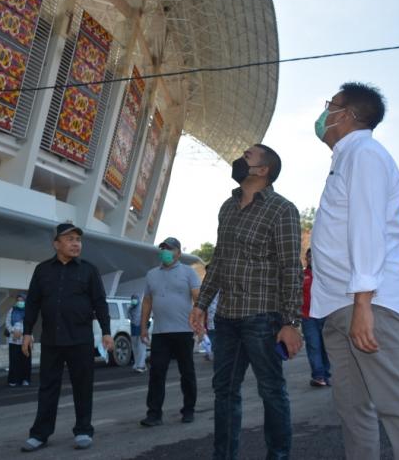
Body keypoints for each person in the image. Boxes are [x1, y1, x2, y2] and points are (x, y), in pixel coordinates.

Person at [310, 82, 399, 460]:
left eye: (330, 105)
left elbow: (367, 228)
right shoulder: (345, 159)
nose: (323, 114)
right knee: (354, 412)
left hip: (366, 303)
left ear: (347, 114)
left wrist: (364, 302)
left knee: (398, 407)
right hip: (338, 305)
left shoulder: (365, 153)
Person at [189, 144, 303, 460]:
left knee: (271, 391)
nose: (240, 159)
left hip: (263, 317)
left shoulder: (282, 210)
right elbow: (219, 261)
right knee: (224, 391)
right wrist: (201, 304)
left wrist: (291, 323)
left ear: (263, 170)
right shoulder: (227, 207)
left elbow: (291, 268)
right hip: (227, 318)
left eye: (248, 156)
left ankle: (278, 456)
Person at [20, 223, 113, 452]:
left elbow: (100, 302)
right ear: (56, 244)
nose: (75, 244)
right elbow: (32, 303)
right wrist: (27, 333)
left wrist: (107, 331)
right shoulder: (42, 270)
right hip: (51, 339)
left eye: (78, 240)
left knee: (83, 386)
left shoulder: (89, 270)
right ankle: (40, 434)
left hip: (80, 339)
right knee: (48, 387)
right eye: (70, 239)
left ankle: (83, 430)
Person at [139, 237, 201, 427]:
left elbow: (198, 300)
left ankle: (188, 410)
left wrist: (200, 325)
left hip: (183, 330)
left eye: (170, 249)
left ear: (178, 253)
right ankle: (154, 413)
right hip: (160, 332)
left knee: (187, 372)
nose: (166, 252)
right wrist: (143, 327)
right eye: (163, 249)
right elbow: (147, 302)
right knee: (157, 373)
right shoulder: (151, 274)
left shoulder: (188, 272)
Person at [301, 248, 331, 387]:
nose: (311, 259)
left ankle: (326, 375)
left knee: (326, 347)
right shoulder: (302, 276)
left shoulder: (326, 274)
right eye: (309, 257)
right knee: (314, 346)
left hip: (326, 315)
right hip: (308, 317)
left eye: (313, 256)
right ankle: (318, 376)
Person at [5, 294, 31, 387]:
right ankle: (13, 380)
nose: (20, 302)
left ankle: (25, 379)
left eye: (22, 300)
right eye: (18, 300)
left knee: (25, 361)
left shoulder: (29, 311)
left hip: (25, 339)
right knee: (14, 360)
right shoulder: (12, 310)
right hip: (14, 340)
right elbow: (7, 322)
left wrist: (24, 332)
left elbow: (30, 323)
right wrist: (13, 330)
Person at [127, 294, 147, 373]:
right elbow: (129, 317)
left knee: (141, 348)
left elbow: (148, 317)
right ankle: (138, 364)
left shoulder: (143, 307)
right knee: (135, 348)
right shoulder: (130, 308)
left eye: (135, 299)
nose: (133, 300)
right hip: (134, 331)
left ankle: (140, 366)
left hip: (142, 330)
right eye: (132, 299)